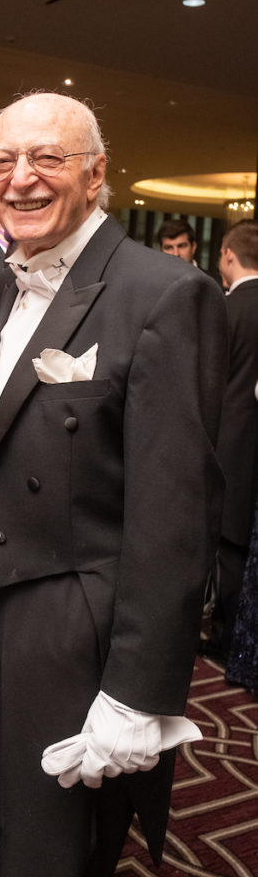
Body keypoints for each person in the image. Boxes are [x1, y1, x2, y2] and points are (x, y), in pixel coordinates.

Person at [0, 92, 228, 877]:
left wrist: (138, 694)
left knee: (44, 850)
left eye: (47, 158)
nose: (20, 179)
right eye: (2, 162)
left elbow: (172, 515)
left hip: (68, 630)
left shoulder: (164, 293)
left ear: (95, 174)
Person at [210, 220, 258, 661]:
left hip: (231, 440)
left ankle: (228, 641)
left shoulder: (227, 309)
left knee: (229, 547)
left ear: (228, 254)